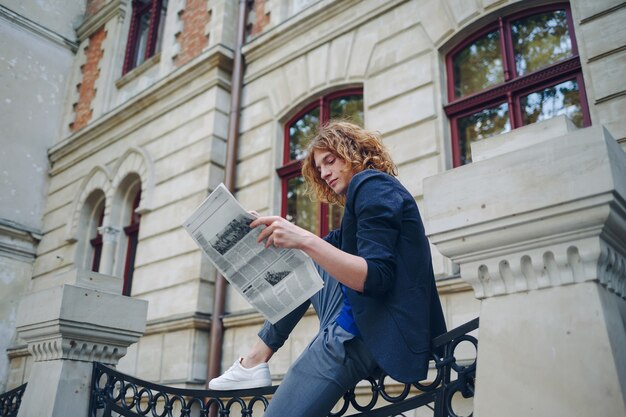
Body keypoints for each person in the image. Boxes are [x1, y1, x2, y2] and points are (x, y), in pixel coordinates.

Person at [209, 121, 446, 417]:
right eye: (319, 168)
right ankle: (255, 361)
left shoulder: (373, 185)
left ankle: (259, 360)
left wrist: (303, 239)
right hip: (358, 316)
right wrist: (267, 228)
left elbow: (376, 278)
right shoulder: (361, 200)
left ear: (353, 153)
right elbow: (319, 252)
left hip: (360, 333)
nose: (324, 173)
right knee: (303, 257)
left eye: (330, 161)